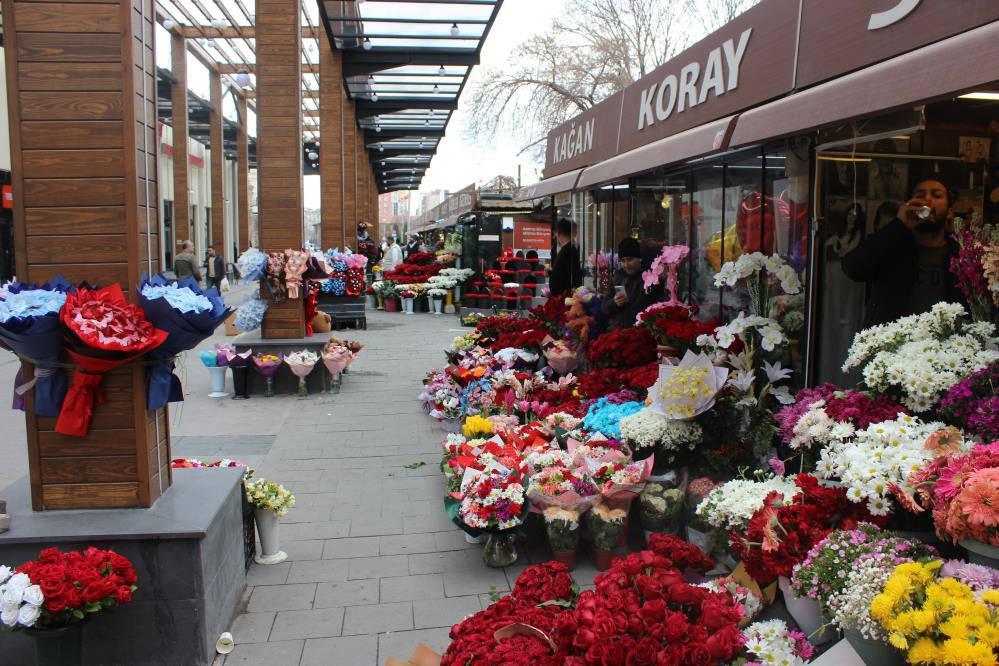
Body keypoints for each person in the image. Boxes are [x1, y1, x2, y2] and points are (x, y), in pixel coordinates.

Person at [842, 179, 963, 327]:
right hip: (894, 345)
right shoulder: (891, 245)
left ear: (950, 212)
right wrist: (899, 224)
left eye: (937, 196)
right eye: (920, 195)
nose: (927, 199)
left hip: (946, 346)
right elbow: (853, 268)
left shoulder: (960, 255)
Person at [602, 237, 661, 329]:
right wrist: (614, 303)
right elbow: (604, 308)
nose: (626, 264)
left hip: (639, 333)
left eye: (629, 259)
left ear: (639, 259)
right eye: (623, 260)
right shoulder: (618, 277)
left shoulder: (649, 278)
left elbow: (654, 306)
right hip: (616, 332)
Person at [547, 219, 582, 297]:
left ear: (559, 233)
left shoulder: (568, 251)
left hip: (564, 298)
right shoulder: (568, 249)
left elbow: (570, 276)